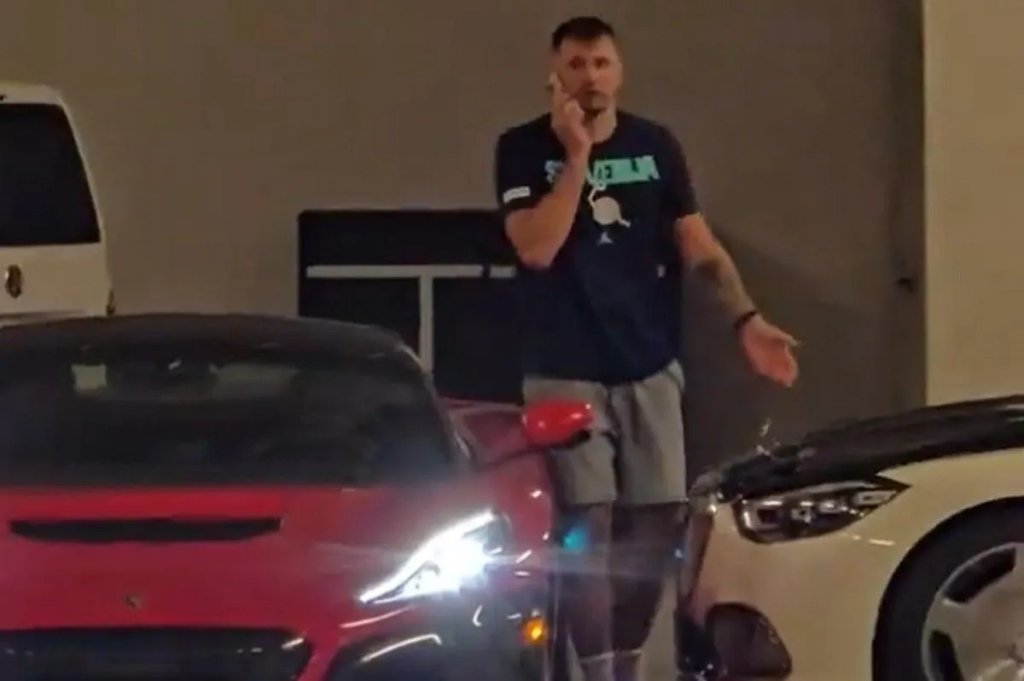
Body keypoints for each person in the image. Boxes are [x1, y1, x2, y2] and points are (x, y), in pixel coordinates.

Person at [491, 15, 800, 681]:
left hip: (648, 363)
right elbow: (537, 247)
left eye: (601, 63)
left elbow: (700, 248)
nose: (590, 78)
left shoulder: (654, 146)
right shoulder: (521, 149)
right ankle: (597, 670)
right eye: (576, 65)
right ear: (555, 74)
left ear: (620, 71)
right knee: (590, 525)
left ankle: (626, 661)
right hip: (564, 369)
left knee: (660, 520)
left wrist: (747, 320)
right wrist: (576, 158)